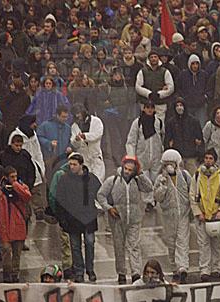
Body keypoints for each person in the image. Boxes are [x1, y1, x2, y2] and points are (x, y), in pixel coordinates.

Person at [97, 156, 153, 285]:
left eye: (130, 170)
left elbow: (149, 188)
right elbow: (101, 195)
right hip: (117, 219)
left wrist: (141, 174)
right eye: (126, 169)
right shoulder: (113, 180)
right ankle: (121, 272)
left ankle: (136, 273)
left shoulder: (137, 181)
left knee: (134, 246)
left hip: (134, 219)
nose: (127, 172)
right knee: (119, 247)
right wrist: (109, 208)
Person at [54, 152, 101, 283]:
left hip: (88, 217)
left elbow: (100, 193)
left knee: (90, 243)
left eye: (74, 164)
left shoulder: (91, 178)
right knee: (75, 246)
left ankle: (90, 269)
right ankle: (79, 271)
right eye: (70, 164)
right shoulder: (65, 179)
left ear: (81, 165)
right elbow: (60, 199)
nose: (72, 167)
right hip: (72, 218)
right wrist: (62, 219)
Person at [190, 148, 220, 282]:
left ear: (214, 160)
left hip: (216, 216)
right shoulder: (197, 176)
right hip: (202, 216)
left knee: (216, 245)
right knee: (203, 244)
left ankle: (215, 268)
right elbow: (192, 195)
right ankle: (205, 269)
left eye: (211, 158)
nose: (208, 161)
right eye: (206, 158)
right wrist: (197, 212)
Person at [153, 150, 192, 283]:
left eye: (172, 163)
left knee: (182, 241)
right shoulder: (160, 179)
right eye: (167, 164)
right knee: (171, 242)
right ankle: (174, 267)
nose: (169, 166)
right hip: (168, 216)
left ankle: (182, 267)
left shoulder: (185, 176)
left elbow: (192, 192)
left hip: (183, 214)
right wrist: (163, 186)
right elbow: (157, 197)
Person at [0, 166, 32, 283]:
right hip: (5, 226)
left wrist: (16, 186)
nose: (14, 179)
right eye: (12, 177)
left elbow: (27, 197)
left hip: (18, 225)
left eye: (16, 176)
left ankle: (15, 273)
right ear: (6, 177)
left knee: (17, 253)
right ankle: (7, 273)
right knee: (6, 251)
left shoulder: (22, 187)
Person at [126, 101, 164, 211]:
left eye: (152, 107)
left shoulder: (158, 122)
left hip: (156, 156)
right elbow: (131, 141)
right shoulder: (137, 123)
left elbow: (163, 137)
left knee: (155, 180)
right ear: (144, 108)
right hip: (142, 157)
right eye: (147, 107)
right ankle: (149, 202)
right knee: (145, 181)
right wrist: (131, 157)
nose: (150, 110)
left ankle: (154, 199)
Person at [166, 97, 204, 175]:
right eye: (177, 105)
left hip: (191, 156)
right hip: (177, 157)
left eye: (181, 105)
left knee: (193, 178)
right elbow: (167, 140)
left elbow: (200, 139)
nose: (179, 107)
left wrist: (200, 155)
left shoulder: (193, 121)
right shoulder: (171, 123)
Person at [135, 50, 175, 122]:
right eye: (151, 57)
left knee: (160, 123)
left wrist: (159, 94)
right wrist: (148, 94)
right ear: (149, 59)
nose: (153, 59)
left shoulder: (165, 71)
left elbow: (171, 87)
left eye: (155, 57)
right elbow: (138, 87)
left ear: (158, 58)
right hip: (146, 104)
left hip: (160, 103)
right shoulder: (142, 71)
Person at [70, 103, 105, 185]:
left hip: (95, 157)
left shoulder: (96, 121)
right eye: (75, 114)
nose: (77, 115)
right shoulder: (74, 126)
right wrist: (77, 140)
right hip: (84, 159)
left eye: (78, 113)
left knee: (98, 182)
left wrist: (85, 136)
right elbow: (75, 144)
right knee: (85, 183)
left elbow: (98, 134)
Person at [37, 105, 72, 173]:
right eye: (63, 117)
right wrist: (49, 143)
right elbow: (38, 137)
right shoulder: (45, 125)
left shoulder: (68, 128)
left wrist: (69, 147)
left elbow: (69, 140)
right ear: (57, 115)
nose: (65, 119)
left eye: (66, 117)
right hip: (49, 159)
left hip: (63, 159)